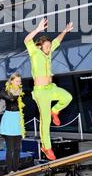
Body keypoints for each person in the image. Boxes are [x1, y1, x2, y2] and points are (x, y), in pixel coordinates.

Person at [24, 18, 73, 160]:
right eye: (46, 46)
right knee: (45, 121)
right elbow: (27, 40)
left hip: (51, 88)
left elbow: (57, 41)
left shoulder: (49, 52)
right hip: (41, 92)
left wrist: (64, 30)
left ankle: (55, 110)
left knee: (67, 97)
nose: (49, 49)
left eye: (50, 47)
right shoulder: (34, 52)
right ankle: (46, 146)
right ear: (40, 45)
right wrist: (38, 29)